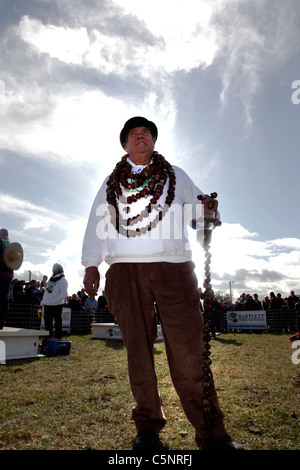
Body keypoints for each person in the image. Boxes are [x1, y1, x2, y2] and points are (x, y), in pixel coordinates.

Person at [82, 116, 244, 451]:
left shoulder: (176, 175)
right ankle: (147, 429)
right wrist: (90, 265)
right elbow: (96, 221)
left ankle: (212, 432)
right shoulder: (111, 182)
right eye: (133, 134)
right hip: (125, 271)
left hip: (174, 268)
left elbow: (198, 213)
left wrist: (208, 212)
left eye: (146, 133)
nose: (140, 137)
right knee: (137, 352)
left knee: (189, 349)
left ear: (153, 142)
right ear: (126, 144)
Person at [42, 263, 68, 339]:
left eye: (55, 268)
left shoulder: (63, 280)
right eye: (53, 268)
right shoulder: (50, 279)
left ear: (59, 269)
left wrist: (54, 301)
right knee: (47, 323)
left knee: (57, 323)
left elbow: (63, 293)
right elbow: (47, 291)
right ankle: (48, 338)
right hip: (47, 305)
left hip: (56, 305)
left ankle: (57, 338)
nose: (53, 269)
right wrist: (44, 301)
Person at [0, 228, 13, 329]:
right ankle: (1, 321)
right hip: (8, 275)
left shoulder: (0, 243)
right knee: (4, 297)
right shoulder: (11, 245)